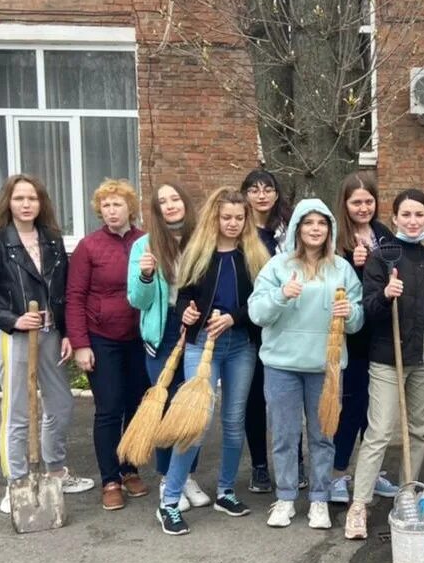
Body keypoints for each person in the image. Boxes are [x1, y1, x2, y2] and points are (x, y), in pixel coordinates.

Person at [0, 174, 94, 515]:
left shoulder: (51, 240)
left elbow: (62, 293)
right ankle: (17, 482)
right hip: (15, 337)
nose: (26, 204)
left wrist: (67, 332)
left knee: (62, 404)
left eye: (32, 199)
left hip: (50, 335)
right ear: (8, 202)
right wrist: (13, 319)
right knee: (18, 413)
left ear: (41, 203)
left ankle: (54, 470)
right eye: (20, 198)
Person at [156, 187, 269, 536]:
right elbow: (184, 299)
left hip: (240, 346)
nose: (233, 224)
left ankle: (225, 492)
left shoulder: (254, 255)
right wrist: (188, 311)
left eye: (239, 218)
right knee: (196, 422)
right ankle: (169, 502)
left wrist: (234, 318)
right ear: (214, 218)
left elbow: (262, 305)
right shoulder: (198, 252)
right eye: (226, 218)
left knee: (234, 422)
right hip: (201, 344)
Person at [248, 199, 364, 530]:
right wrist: (282, 294)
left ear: (330, 229)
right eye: (308, 222)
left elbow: (356, 319)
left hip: (325, 364)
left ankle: (319, 500)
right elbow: (257, 313)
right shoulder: (277, 266)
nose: (315, 228)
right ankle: (285, 498)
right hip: (282, 362)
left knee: (323, 435)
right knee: (284, 434)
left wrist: (351, 313)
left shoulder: (341, 267)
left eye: (322, 223)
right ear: (297, 227)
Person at [344, 189, 424, 539]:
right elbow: (368, 310)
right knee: (380, 431)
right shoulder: (382, 258)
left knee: (419, 429)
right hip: (389, 356)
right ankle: (359, 504)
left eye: (419, 215)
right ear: (395, 219)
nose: (413, 221)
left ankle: (408, 494)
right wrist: (385, 295)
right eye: (406, 215)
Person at [127, 181, 211, 511]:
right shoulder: (144, 247)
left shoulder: (201, 240)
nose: (170, 205)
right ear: (156, 209)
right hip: (161, 333)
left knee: (191, 406)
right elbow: (137, 300)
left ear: (185, 202)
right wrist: (146, 275)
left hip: (195, 326)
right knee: (162, 406)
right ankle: (167, 478)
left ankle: (186, 475)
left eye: (175, 198)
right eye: (163, 201)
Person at [66, 179, 148, 511]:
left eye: (117, 204)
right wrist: (80, 343)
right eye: (105, 205)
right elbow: (74, 298)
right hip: (102, 338)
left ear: (130, 207)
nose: (111, 210)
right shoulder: (89, 246)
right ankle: (110, 479)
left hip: (140, 338)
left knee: (136, 406)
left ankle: (129, 469)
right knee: (109, 409)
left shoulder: (145, 241)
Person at [332, 173, 398, 505]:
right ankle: (337, 472)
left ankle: (369, 473)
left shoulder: (383, 234)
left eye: (368, 201)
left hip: (379, 330)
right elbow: (332, 280)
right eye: (356, 202)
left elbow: (392, 275)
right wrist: (352, 263)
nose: (363, 207)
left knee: (375, 408)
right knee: (352, 405)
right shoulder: (336, 239)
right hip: (351, 333)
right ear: (345, 203)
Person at [240, 169, 296, 495]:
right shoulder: (241, 230)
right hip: (249, 323)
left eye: (268, 189)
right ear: (246, 194)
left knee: (287, 399)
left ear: (276, 194)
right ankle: (260, 465)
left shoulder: (286, 230)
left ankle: (294, 464)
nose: (261, 195)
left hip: (284, 323)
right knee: (254, 399)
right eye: (254, 189)